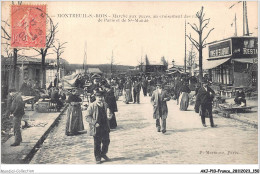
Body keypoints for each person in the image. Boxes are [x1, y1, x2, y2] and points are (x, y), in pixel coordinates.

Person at [85, 91, 113, 164]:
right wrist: (94, 123)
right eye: (98, 97)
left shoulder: (105, 104)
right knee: (97, 143)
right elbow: (87, 117)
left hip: (105, 126)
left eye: (101, 97)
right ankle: (97, 157)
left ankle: (103, 154)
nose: (100, 99)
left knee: (106, 141)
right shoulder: (92, 106)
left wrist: (110, 116)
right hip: (97, 127)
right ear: (96, 97)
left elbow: (108, 114)